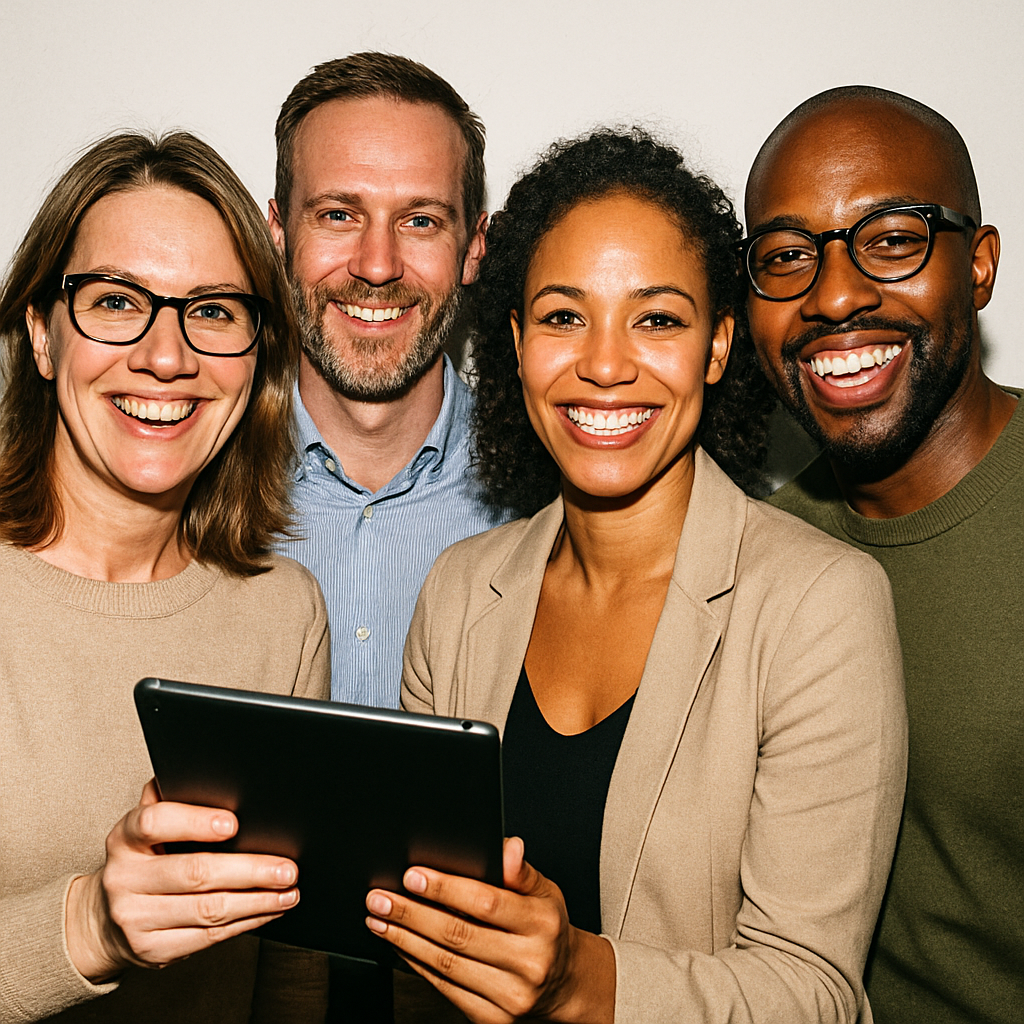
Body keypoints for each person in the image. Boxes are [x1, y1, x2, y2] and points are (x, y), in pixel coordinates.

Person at [365, 128, 907, 1024]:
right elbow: (420, 940)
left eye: (656, 318)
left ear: (719, 346)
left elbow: (815, 994)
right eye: (563, 316)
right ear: (516, 339)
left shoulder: (820, 607)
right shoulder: (460, 592)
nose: (606, 364)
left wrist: (580, 979)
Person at [0, 131, 331, 1023]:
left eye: (215, 310)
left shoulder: (282, 615)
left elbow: (289, 969)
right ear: (40, 331)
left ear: (257, 353)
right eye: (115, 301)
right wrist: (90, 924)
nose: (167, 356)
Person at [742, 85, 1023, 1024]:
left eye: (892, 239)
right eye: (786, 257)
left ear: (978, 265)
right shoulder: (762, 558)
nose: (833, 295)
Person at [269, 52, 505, 709]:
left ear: (474, 247)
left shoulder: (550, 494)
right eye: (339, 215)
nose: (378, 266)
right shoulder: (190, 480)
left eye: (420, 220)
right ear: (279, 232)